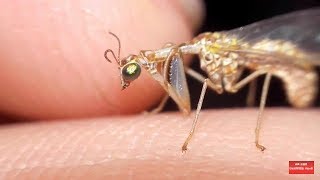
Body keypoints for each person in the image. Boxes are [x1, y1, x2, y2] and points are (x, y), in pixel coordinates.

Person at [0, 1, 319, 179]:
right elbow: (170, 72)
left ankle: (257, 136)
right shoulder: (178, 56)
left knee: (247, 77)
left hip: (284, 61)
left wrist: (254, 140)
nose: (134, 75)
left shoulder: (205, 50)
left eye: (133, 72)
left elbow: (212, 80)